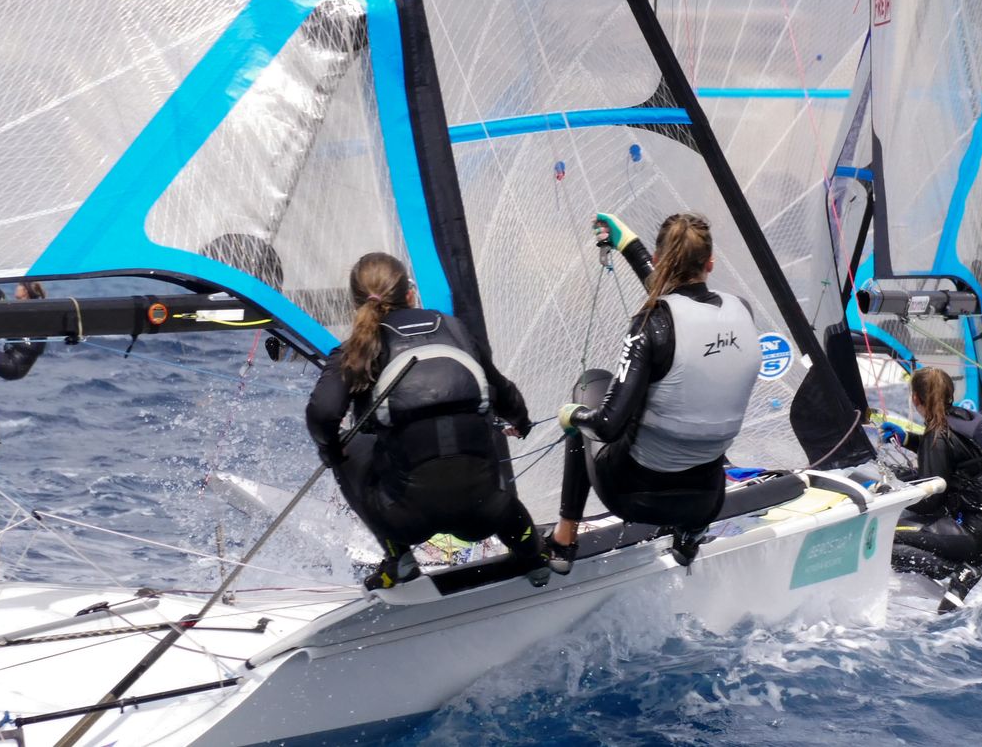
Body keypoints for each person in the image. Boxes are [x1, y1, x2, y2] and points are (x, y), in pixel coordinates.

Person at [305, 253, 546, 590]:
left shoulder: (355, 352)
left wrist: (331, 451)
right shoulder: (456, 330)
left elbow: (322, 415)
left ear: (356, 304)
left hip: (403, 520)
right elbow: (504, 392)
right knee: (481, 453)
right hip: (485, 514)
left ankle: (399, 559)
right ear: (410, 294)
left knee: (347, 444)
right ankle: (534, 558)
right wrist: (521, 421)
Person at [551, 211, 760, 572]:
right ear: (710, 264)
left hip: (633, 496)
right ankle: (689, 538)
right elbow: (683, 306)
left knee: (589, 384)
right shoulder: (742, 311)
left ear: (661, 259)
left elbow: (606, 426)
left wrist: (572, 416)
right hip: (705, 501)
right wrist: (629, 245)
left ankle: (563, 540)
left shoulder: (650, 325)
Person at [886, 366, 982, 611]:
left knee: (885, 535)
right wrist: (907, 438)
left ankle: (959, 570)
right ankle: (958, 568)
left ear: (915, 398)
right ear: (950, 393)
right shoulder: (969, 418)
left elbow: (930, 504)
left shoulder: (938, 436)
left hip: (977, 535)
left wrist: (891, 496)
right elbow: (953, 454)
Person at [0, 283, 48, 381]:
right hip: (14, 360)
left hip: (14, 365)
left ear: (25, 291)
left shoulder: (31, 311)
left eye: (20, 284)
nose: (16, 287)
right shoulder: (23, 309)